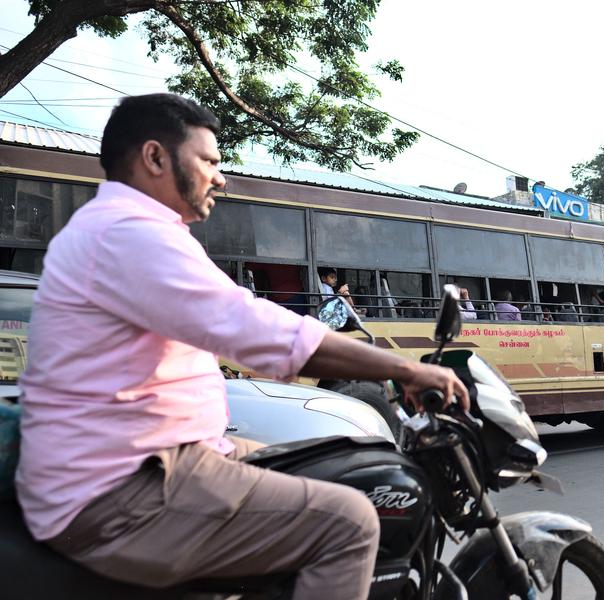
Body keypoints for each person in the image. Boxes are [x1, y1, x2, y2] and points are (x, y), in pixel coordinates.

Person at [15, 94, 469, 600]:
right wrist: (403, 368)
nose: (220, 176)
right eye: (208, 160)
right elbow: (248, 325)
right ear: (155, 158)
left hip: (146, 461)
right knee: (350, 521)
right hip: (119, 490)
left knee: (326, 463)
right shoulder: (129, 233)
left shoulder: (123, 229)